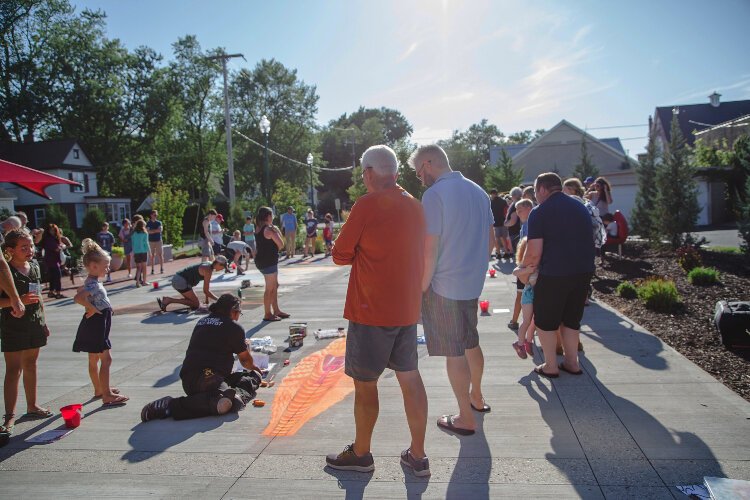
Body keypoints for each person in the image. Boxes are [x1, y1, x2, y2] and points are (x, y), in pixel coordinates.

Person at [325, 145, 430, 477]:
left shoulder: (367, 204)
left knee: (366, 383)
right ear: (396, 173)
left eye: (362, 173)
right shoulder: (416, 206)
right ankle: (418, 455)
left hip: (370, 310)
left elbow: (340, 255)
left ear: (369, 172)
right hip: (406, 309)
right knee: (410, 378)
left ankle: (361, 453)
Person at [410, 144, 493, 436]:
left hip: (444, 285)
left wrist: (421, 288)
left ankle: (465, 417)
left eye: (420, 171)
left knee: (454, 352)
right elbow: (490, 240)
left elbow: (430, 248)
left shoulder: (434, 195)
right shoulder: (478, 191)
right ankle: (477, 397)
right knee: (471, 342)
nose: (420, 179)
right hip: (471, 282)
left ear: (430, 163)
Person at [141, 294, 263, 422]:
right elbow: (245, 361)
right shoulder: (233, 327)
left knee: (252, 377)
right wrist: (254, 364)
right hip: (206, 380)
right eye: (239, 313)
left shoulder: (203, 321)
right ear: (233, 311)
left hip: (191, 379)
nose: (238, 317)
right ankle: (170, 406)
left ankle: (231, 396)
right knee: (224, 402)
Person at [523, 173, 595, 378]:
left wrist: (524, 269)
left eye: (536, 191)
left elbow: (534, 252)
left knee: (546, 322)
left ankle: (550, 365)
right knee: (571, 320)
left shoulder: (540, 212)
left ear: (543, 189)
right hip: (583, 271)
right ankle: (572, 362)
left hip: (554, 273)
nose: (536, 196)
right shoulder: (579, 206)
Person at [1, 230, 51, 435]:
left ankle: (32, 406)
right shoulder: (5, 272)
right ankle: (9, 415)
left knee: (31, 364)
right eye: (24, 247)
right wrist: (17, 299)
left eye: (31, 246)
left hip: (34, 323)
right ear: (10, 250)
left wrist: (44, 322)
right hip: (13, 326)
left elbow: (38, 297)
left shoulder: (35, 266)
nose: (30, 250)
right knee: (13, 369)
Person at [73, 239, 129, 406]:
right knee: (107, 359)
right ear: (92, 266)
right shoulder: (93, 284)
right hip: (97, 325)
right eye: (105, 266)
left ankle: (99, 389)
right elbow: (78, 297)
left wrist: (92, 307)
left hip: (96, 324)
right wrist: (93, 308)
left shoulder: (93, 282)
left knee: (93, 359)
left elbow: (80, 293)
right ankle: (107, 394)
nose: (107, 268)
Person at [254, 207, 289, 321]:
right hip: (268, 262)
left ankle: (276, 310)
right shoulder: (269, 229)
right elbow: (281, 244)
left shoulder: (259, 227)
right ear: (268, 216)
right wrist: (277, 230)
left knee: (275, 286)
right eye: (272, 215)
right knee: (270, 288)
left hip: (264, 261)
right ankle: (267, 313)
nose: (273, 217)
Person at [156, 256, 228, 312]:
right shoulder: (208, 270)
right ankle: (169, 300)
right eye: (223, 267)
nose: (223, 269)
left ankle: (168, 300)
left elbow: (206, 287)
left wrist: (207, 300)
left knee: (193, 303)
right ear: (218, 264)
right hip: (180, 281)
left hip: (179, 279)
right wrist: (219, 300)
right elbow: (206, 291)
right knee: (196, 304)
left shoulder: (209, 264)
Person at [41, 224, 71, 299]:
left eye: (54, 230)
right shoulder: (49, 239)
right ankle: (58, 293)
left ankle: (51, 292)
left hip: (52, 260)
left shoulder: (52, 238)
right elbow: (56, 249)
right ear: (48, 230)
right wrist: (63, 246)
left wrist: (61, 246)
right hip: (52, 260)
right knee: (57, 276)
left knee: (53, 277)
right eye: (51, 230)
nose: (52, 231)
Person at [490, 190, 511, 259]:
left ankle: (498, 253)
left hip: (495, 223)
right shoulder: (503, 201)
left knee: (496, 239)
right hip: (503, 222)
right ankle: (506, 252)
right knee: (503, 238)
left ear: (492, 194)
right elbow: (507, 211)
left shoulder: (491, 202)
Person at [503, 186, 523, 253]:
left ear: (513, 195)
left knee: (518, 254)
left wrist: (505, 223)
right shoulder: (518, 203)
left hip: (515, 233)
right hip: (516, 232)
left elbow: (513, 221)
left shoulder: (516, 205)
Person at [131, 219, 149, 287]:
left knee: (138, 268)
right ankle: (144, 281)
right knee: (144, 267)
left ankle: (138, 282)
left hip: (136, 252)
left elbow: (133, 243)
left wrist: (133, 252)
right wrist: (149, 252)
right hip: (143, 251)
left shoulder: (134, 233)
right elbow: (146, 243)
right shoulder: (145, 233)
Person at [146, 210, 164, 275]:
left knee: (160, 255)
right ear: (151, 215)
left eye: (156, 215)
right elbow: (148, 231)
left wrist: (152, 230)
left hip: (158, 240)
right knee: (152, 256)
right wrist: (155, 230)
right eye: (154, 215)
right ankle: (152, 270)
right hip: (151, 241)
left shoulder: (159, 222)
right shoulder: (148, 223)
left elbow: (160, 230)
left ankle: (162, 268)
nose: (156, 216)